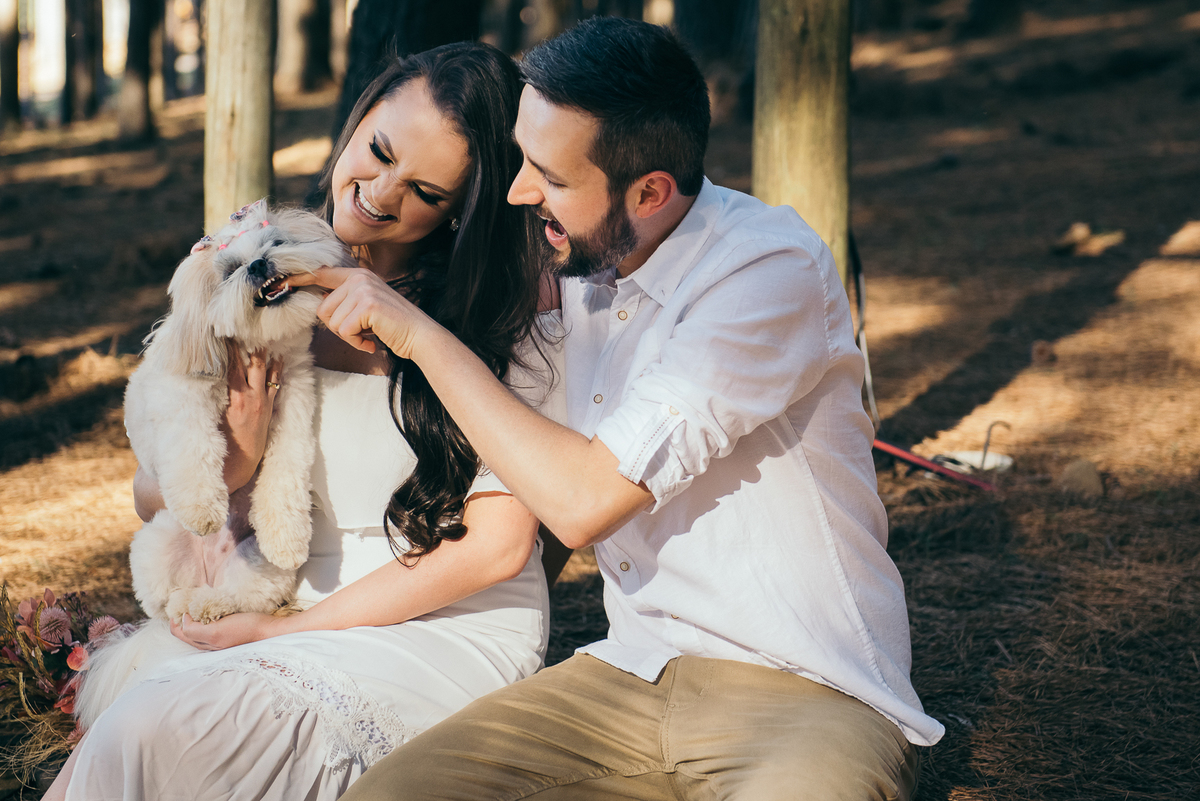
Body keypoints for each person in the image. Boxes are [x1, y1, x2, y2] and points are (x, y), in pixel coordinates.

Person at [302, 17, 946, 801]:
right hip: (620, 678)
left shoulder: (764, 270)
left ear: (649, 192)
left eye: (551, 176)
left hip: (808, 692)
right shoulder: (573, 271)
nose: (518, 191)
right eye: (522, 159)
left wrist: (420, 337)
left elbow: (581, 503)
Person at [47, 42, 558, 801]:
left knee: (157, 727)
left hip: (439, 627)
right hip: (285, 600)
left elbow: (498, 546)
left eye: (423, 190)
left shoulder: (505, 310)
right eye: (377, 152)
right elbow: (151, 492)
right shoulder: (262, 271)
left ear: (461, 213)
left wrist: (284, 635)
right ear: (357, 118)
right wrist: (238, 465)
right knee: (148, 720)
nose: (380, 193)